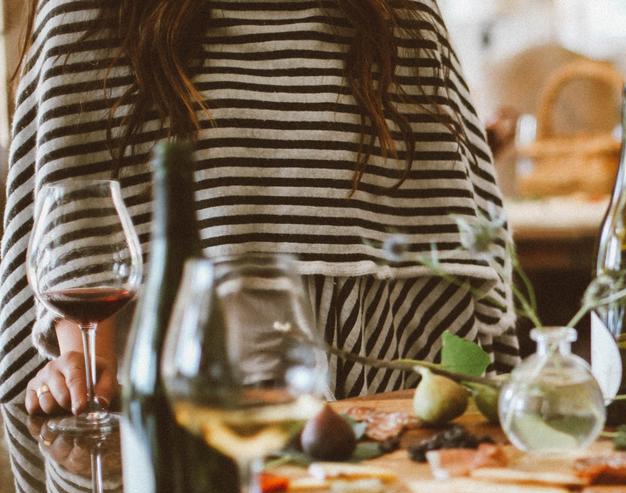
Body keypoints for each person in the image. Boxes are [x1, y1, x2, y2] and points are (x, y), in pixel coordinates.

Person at [4, 0, 520, 414]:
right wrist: (82, 366)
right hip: (171, 409)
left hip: (383, 399)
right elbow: (76, 234)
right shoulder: (89, 12)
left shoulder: (401, 15)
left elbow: (458, 261)